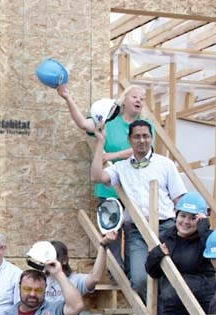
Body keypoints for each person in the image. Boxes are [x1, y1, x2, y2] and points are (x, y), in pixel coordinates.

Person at [91, 120, 187, 303]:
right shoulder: (121, 167)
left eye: (146, 136)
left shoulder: (165, 164)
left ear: (151, 138)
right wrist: (100, 142)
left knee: (170, 276)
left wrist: (183, 228)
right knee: (140, 279)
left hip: (165, 227)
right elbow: (96, 176)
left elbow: (179, 199)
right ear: (130, 139)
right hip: (137, 232)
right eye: (137, 136)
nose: (142, 140)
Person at [58, 84, 151, 264]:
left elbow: (142, 151)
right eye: (135, 97)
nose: (139, 100)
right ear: (124, 100)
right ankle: (116, 276)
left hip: (134, 190)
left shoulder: (145, 126)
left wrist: (109, 155)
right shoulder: (110, 120)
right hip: (109, 189)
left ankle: (133, 280)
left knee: (134, 238)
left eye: (142, 98)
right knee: (112, 235)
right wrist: (68, 98)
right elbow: (84, 123)